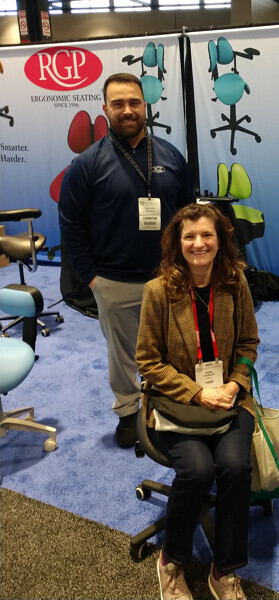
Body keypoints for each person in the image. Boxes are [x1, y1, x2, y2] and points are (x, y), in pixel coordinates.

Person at [59, 72, 194, 448]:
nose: (127, 110)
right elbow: (71, 224)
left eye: (134, 102)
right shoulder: (87, 164)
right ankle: (128, 411)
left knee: (175, 347)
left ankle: (169, 403)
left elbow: (187, 213)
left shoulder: (171, 156)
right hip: (113, 279)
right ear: (105, 109)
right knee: (124, 355)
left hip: (168, 275)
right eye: (118, 104)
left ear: (145, 106)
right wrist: (92, 278)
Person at [136, 203, 259, 600]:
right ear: (178, 243)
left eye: (207, 234)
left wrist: (236, 384)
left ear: (220, 239)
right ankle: (171, 560)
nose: (198, 243)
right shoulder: (158, 291)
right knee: (198, 470)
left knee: (235, 467)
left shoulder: (235, 283)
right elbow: (147, 362)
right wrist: (198, 392)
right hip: (177, 403)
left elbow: (248, 344)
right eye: (189, 236)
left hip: (229, 398)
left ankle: (224, 570)